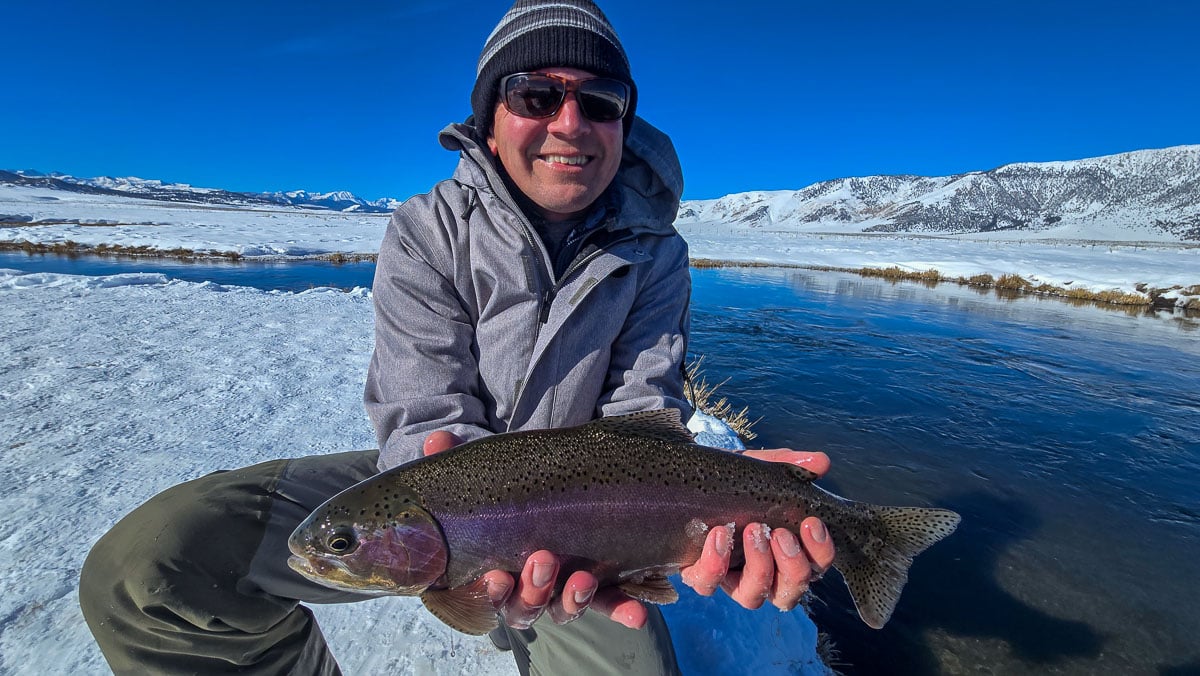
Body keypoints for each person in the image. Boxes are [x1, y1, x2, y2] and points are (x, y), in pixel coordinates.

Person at [79, 1, 835, 674]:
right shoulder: (425, 230)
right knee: (149, 567)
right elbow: (426, 417)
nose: (569, 124)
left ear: (622, 123)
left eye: (599, 102)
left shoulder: (658, 254)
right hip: (440, 492)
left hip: (591, 522)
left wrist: (728, 492)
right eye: (537, 95)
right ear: (489, 117)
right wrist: (460, 535)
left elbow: (643, 412)